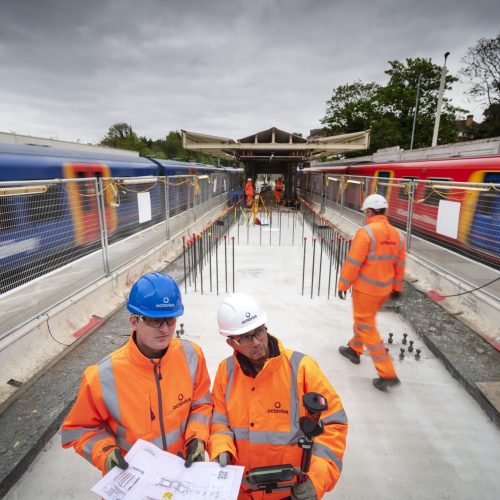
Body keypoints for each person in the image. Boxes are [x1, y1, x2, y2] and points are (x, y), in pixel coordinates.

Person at [61, 273, 213, 474]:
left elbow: (201, 404)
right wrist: (106, 454)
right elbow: (80, 429)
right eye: (154, 320)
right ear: (134, 321)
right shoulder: (102, 376)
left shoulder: (192, 355)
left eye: (170, 319)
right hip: (132, 479)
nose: (165, 329)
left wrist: (197, 438)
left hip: (180, 474)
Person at [208, 293, 348, 499]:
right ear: (231, 343)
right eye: (245, 337)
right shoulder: (226, 372)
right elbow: (219, 421)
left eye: (259, 332)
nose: (256, 342)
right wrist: (221, 448)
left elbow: (334, 425)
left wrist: (316, 480)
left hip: (291, 493)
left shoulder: (302, 369)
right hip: (241, 492)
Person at [337, 194, 406, 391]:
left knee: (366, 325)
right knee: (365, 320)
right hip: (384, 290)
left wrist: (343, 284)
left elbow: (353, 262)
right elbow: (400, 265)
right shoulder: (398, 235)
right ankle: (354, 349)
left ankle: (387, 373)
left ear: (369, 211)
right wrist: (397, 288)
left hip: (366, 290)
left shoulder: (366, 233)